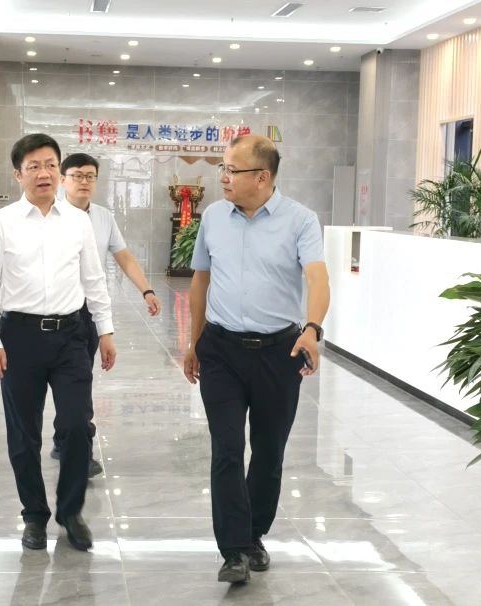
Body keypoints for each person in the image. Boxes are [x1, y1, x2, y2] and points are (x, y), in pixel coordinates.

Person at [182, 135, 330, 584]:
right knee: (226, 449)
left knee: (268, 452)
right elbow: (200, 282)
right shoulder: (213, 217)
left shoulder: (301, 221)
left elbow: (317, 279)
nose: (223, 177)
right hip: (221, 350)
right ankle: (233, 551)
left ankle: (253, 535)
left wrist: (312, 328)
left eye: (232, 169)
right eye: (223, 169)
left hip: (278, 354)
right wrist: (193, 341)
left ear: (262, 177)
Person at [0, 134, 117, 552]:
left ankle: (71, 511)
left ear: (60, 170)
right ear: (18, 174)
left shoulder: (77, 221)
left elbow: (93, 277)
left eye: (51, 165)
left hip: (71, 335)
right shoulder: (1, 222)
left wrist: (105, 329)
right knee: (23, 434)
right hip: (19, 337)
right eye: (34, 166)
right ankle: (34, 515)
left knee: (76, 425)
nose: (44, 173)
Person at [48, 152, 161, 477]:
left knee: (78, 381)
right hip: (53, 309)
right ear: (63, 180)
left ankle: (69, 443)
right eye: (77, 175)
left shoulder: (102, 217)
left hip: (87, 312)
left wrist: (146, 290)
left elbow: (124, 257)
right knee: (69, 383)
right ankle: (71, 443)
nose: (84, 182)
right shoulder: (48, 215)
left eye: (90, 176)